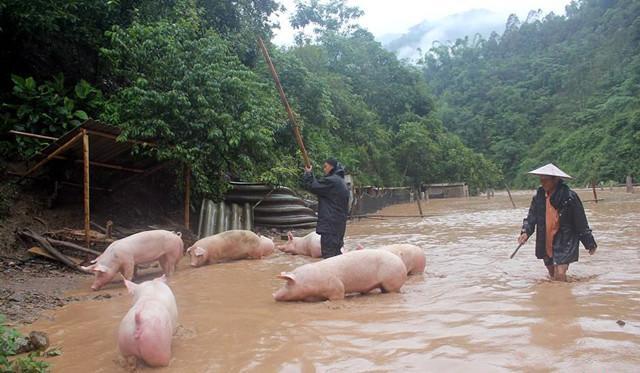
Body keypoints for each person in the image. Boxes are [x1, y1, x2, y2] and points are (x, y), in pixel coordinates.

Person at [518, 163, 597, 281]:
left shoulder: (569, 197)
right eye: (541, 180)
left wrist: (589, 242)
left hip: (565, 238)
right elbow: (531, 218)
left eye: (545, 180)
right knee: (552, 275)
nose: (542, 183)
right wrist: (525, 232)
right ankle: (554, 297)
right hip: (546, 238)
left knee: (560, 274)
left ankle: (565, 298)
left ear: (556, 180)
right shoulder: (538, 197)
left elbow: (580, 221)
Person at [303, 158, 350, 259]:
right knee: (336, 255)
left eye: (325, 166)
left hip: (330, 225)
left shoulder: (332, 181)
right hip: (338, 226)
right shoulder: (341, 182)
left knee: (329, 256)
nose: (324, 169)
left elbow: (312, 186)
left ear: (331, 167)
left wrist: (308, 173)